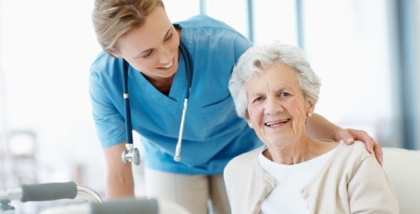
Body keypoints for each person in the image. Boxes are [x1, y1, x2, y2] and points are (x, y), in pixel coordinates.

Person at [89, 0, 383, 213]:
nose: (167, 56)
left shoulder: (222, 45)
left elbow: (278, 105)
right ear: (114, 52)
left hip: (241, 153)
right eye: (147, 53)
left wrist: (337, 132)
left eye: (168, 36)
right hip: (172, 161)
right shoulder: (105, 81)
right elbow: (119, 174)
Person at [224, 40, 399, 213]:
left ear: (309, 104)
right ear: (247, 115)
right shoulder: (238, 172)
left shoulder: (355, 162)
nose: (272, 108)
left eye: (284, 94)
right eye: (258, 98)